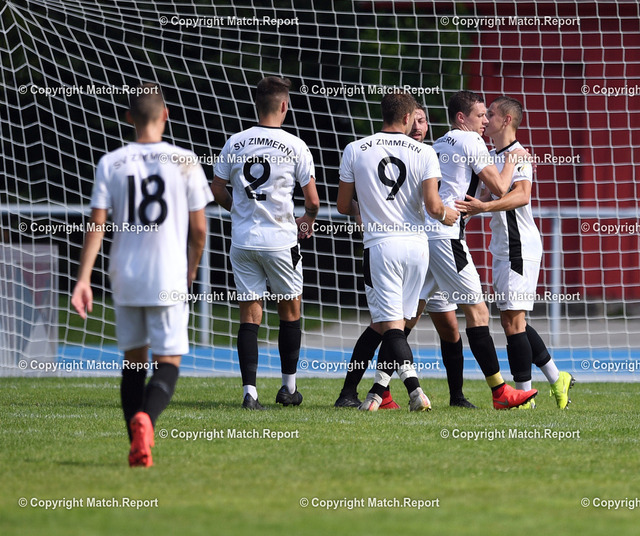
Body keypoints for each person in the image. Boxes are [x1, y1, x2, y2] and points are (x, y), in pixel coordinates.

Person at [71, 83, 212, 466]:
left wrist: (83, 279)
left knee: (133, 362)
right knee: (168, 361)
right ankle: (146, 421)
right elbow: (199, 229)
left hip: (126, 275)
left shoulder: (111, 162)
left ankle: (138, 446)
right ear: (165, 115)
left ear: (129, 117)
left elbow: (97, 225)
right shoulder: (185, 161)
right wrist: (192, 268)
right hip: (168, 275)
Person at [334, 105, 476, 409]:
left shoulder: (356, 148)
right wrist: (447, 214)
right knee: (389, 325)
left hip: (383, 247)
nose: (420, 125)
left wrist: (362, 211)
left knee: (392, 326)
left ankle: (414, 391)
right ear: (407, 118)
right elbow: (434, 206)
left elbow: (343, 205)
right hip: (418, 249)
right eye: (417, 119)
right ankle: (370, 393)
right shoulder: (425, 153)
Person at [417, 90, 538, 409]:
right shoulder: (472, 141)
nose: (485, 120)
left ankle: (378, 390)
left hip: (424, 236)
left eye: (489, 115)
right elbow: (501, 187)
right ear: (462, 118)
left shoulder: (438, 144)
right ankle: (502, 392)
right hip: (446, 238)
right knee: (482, 313)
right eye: (481, 115)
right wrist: (511, 161)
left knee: (406, 316)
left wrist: (479, 203)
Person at [455, 96, 575, 409]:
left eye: (491, 114)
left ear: (507, 120)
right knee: (512, 318)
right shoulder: (491, 156)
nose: (485, 119)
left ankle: (524, 397)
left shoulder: (518, 155)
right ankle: (556, 377)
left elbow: (522, 196)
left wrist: (484, 207)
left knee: (512, 322)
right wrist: (469, 207)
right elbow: (485, 196)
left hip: (519, 245)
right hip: (503, 247)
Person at [211, 76, 320, 410]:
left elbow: (216, 188)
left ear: (257, 104)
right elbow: (313, 201)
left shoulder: (235, 142)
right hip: (280, 241)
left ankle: (250, 393)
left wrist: (238, 210)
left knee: (249, 314)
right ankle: (288, 389)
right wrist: (307, 220)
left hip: (244, 240)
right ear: (284, 106)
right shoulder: (296, 145)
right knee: (290, 309)